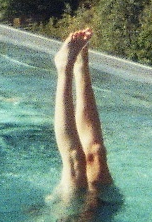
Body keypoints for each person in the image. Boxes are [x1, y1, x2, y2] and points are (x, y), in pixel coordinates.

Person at [49, 29, 115, 203]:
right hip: (95, 215)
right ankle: (73, 66)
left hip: (70, 221)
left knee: (85, 158)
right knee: (90, 155)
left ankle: (70, 66)